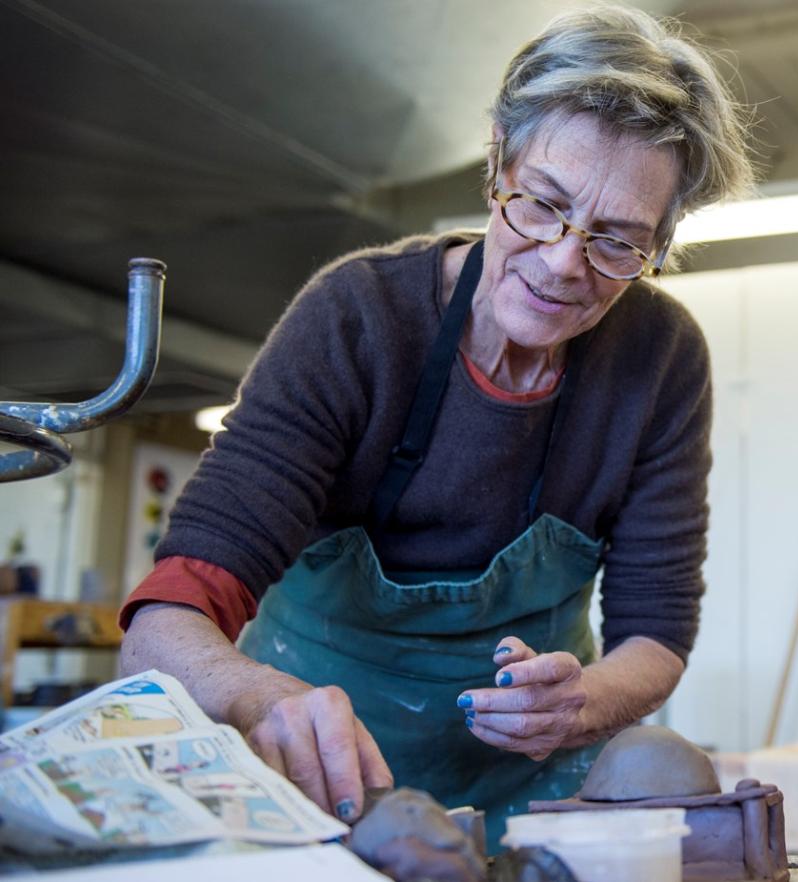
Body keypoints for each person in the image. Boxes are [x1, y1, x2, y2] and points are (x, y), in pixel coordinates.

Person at [117, 6, 754, 849]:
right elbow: (164, 626)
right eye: (542, 205)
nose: (565, 261)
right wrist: (261, 699)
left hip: (538, 797)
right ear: (497, 160)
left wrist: (581, 704)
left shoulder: (661, 359)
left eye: (617, 242)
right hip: (324, 786)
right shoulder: (359, 320)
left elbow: (656, 630)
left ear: (661, 242)